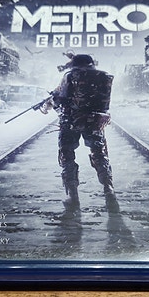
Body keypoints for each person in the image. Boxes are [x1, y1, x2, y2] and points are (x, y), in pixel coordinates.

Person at [49, 53, 119, 213]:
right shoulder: (104, 77)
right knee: (99, 155)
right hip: (95, 121)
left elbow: (62, 100)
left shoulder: (70, 76)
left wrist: (53, 100)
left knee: (67, 156)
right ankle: (109, 190)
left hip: (71, 122)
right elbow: (104, 103)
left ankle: (72, 196)